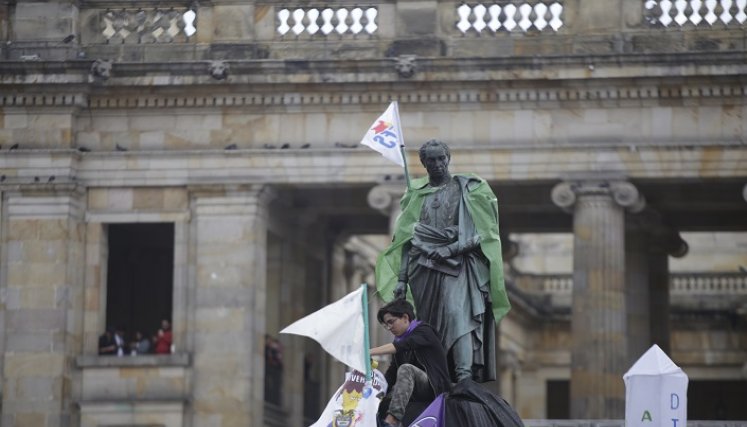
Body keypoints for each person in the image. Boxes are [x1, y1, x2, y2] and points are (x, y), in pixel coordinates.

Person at [375, 139, 510, 383]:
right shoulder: (415, 195)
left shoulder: (469, 188)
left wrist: (452, 249)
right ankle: (436, 374)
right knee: (428, 326)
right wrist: (402, 279)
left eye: (441, 158)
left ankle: (464, 375)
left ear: (448, 159)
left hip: (458, 265)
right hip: (422, 269)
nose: (437, 164)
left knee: (458, 315)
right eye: (431, 160)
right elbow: (406, 240)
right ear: (424, 163)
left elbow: (485, 233)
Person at [370, 299, 451, 427]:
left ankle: (393, 419)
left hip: (434, 388)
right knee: (383, 397)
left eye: (391, 322)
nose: (389, 327)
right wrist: (376, 392)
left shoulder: (424, 331)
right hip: (413, 390)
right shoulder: (400, 341)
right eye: (387, 325)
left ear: (405, 317)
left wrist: (368, 352)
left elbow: (403, 345)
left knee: (406, 369)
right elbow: (391, 374)